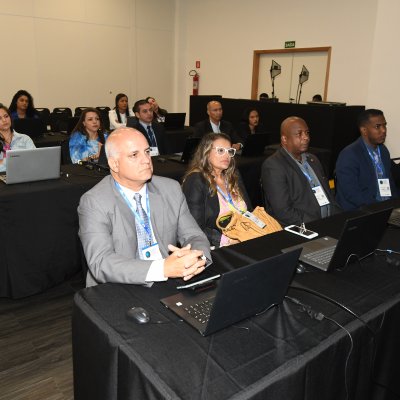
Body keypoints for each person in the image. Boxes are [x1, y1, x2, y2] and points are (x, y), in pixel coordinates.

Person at [78, 127, 211, 287]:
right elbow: (101, 262)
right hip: (118, 287)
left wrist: (196, 259)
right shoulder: (94, 201)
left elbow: (194, 236)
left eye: (147, 152)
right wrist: (162, 268)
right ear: (114, 164)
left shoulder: (171, 189)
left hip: (167, 278)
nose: (146, 160)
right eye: (134, 155)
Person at [261, 116, 340, 226]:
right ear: (284, 139)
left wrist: (339, 218)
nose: (306, 137)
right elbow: (283, 211)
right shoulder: (274, 165)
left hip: (328, 221)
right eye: (299, 134)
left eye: (307, 133)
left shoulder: (313, 159)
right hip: (302, 228)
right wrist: (317, 224)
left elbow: (329, 195)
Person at [182, 133, 252, 247]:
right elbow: (194, 227)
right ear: (207, 152)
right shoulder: (196, 180)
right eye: (220, 150)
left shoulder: (233, 175)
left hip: (245, 236)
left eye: (229, 151)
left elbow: (249, 210)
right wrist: (228, 241)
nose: (227, 156)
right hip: (218, 246)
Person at [335, 109, 398, 211]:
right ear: (364, 130)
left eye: (384, 125)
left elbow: (390, 182)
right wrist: (378, 209)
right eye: (378, 126)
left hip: (384, 207)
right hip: (361, 210)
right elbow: (351, 193)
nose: (383, 130)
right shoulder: (349, 154)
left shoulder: (383, 150)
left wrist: (395, 205)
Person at [0, 104, 36, 172]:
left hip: (23, 176)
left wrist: (3, 161)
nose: (4, 120)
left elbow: (34, 162)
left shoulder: (25, 139)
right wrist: (18, 161)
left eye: (6, 116)